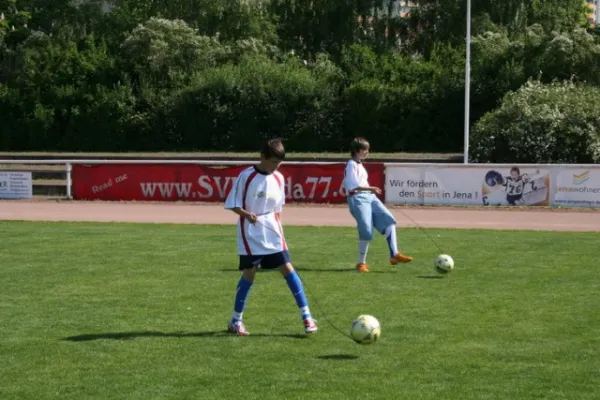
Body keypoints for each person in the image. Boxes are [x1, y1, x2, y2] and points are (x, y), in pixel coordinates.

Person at [224, 138, 317, 336]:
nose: (277, 166)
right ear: (263, 157)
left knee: (288, 268)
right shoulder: (246, 176)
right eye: (274, 161)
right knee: (250, 272)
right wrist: (246, 215)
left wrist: (280, 232)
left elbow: (278, 209)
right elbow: (232, 203)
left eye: (280, 162)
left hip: (273, 230)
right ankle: (235, 320)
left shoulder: (279, 178)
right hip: (250, 232)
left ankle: (307, 316)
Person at [343, 137, 413, 273]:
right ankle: (361, 263)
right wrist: (371, 188)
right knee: (367, 231)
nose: (367, 152)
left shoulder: (359, 165)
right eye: (365, 150)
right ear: (357, 150)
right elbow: (353, 187)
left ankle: (394, 254)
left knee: (389, 221)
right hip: (357, 199)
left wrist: (371, 191)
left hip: (369, 197)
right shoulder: (351, 164)